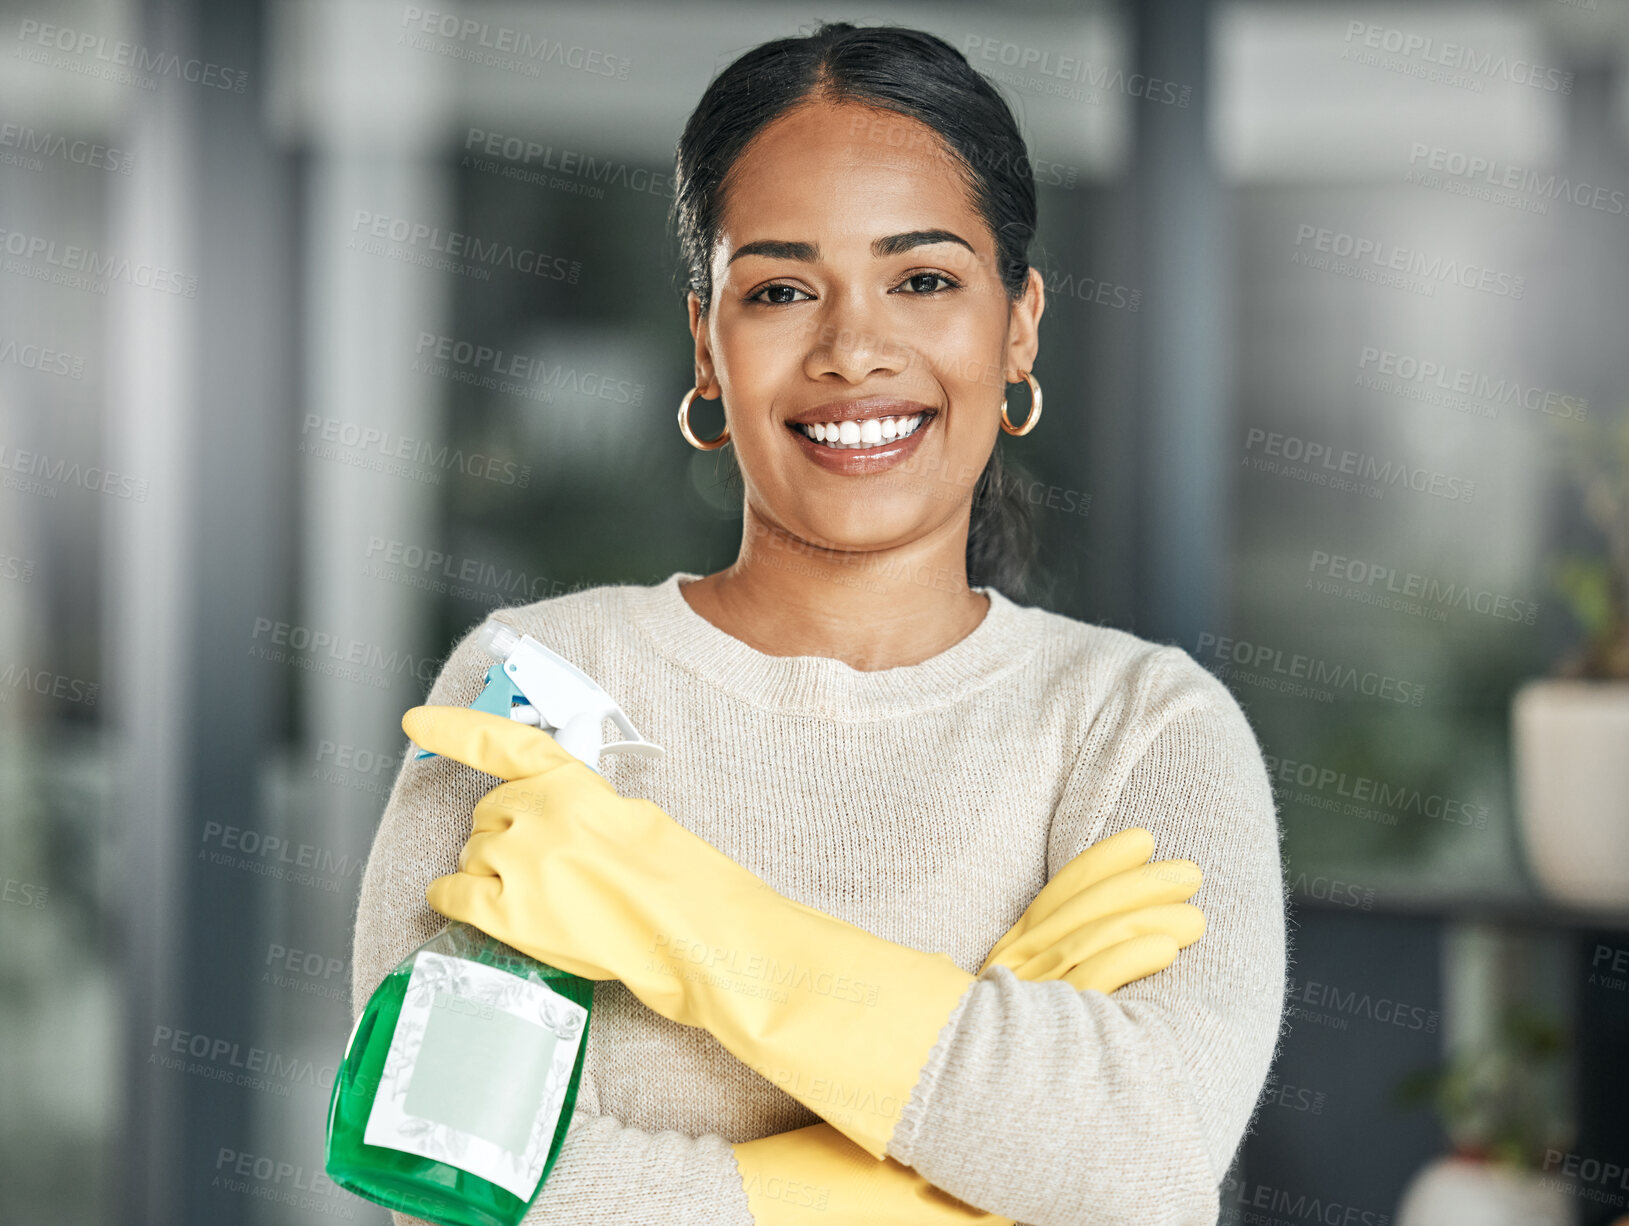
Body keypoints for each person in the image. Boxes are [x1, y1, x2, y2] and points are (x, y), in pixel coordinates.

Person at [351, 20, 1286, 1226]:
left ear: (1019, 327)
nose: (854, 350)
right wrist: (916, 1171)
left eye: (925, 279)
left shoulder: (1138, 731)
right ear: (706, 343)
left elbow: (1147, 1164)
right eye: (782, 289)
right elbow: (439, 1182)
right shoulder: (544, 689)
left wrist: (689, 915)